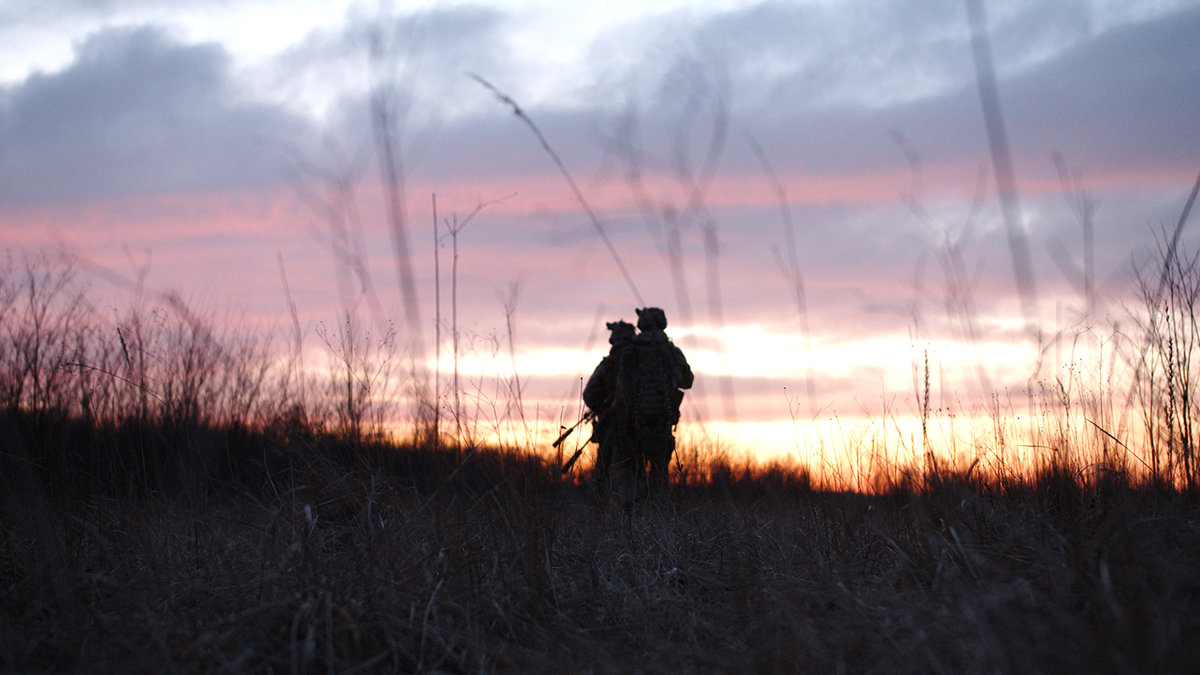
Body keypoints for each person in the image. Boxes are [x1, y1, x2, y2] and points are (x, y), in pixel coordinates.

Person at [610, 307, 693, 495]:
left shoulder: (630, 351)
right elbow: (687, 381)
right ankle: (659, 512)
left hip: (633, 425)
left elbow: (622, 388)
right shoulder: (671, 351)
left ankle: (634, 511)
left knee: (634, 476)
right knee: (660, 476)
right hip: (661, 425)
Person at [582, 320, 636, 487]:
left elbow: (589, 393)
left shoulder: (609, 363)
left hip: (613, 426)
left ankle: (603, 503)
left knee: (603, 473)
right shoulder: (643, 362)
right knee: (638, 473)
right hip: (643, 426)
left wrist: (602, 408)